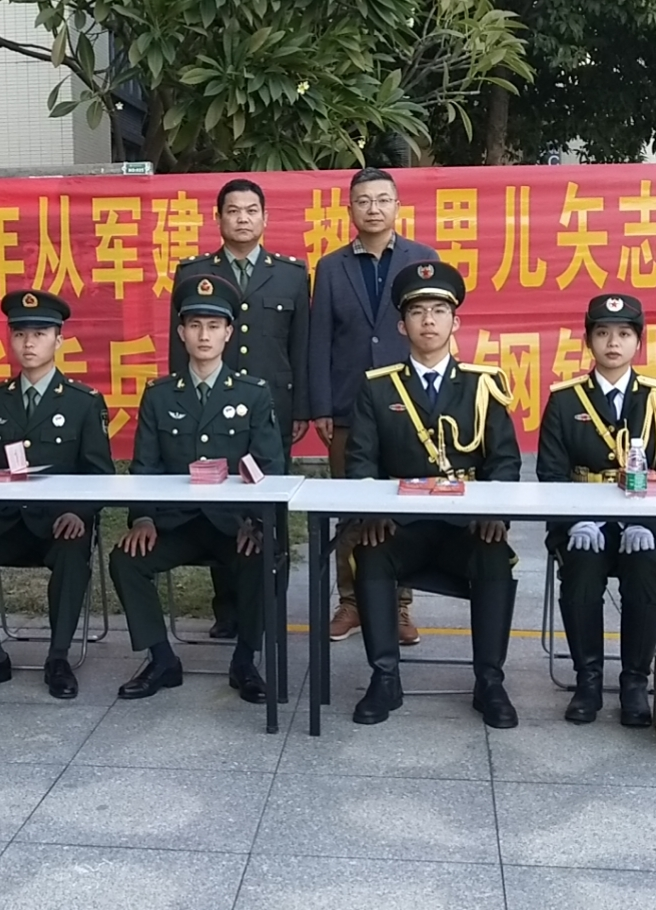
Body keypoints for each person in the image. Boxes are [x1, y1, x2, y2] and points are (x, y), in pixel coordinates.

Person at [345, 260, 522, 729]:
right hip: (401, 523)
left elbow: (504, 461)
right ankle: (385, 678)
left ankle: (490, 682)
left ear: (455, 322)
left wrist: (494, 512)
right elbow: (361, 461)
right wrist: (371, 512)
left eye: (439, 311)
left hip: (467, 524)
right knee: (370, 554)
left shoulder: (483, 386)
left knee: (494, 557)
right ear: (401, 326)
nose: (429, 320)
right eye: (418, 311)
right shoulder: (378, 388)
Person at [110, 275, 283, 704]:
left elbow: (269, 466)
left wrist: (257, 523)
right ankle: (161, 658)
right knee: (125, 560)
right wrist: (143, 517)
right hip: (176, 523)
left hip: (234, 525)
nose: (204, 335)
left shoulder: (253, 394)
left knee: (266, 557)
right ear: (181, 333)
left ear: (228, 334)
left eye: (213, 326)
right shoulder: (160, 395)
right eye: (195, 326)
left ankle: (245, 660)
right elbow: (145, 467)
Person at [0, 289, 114, 699]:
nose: (28, 343)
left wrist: (80, 513)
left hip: (57, 524)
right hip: (1, 523)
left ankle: (58, 658)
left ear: (59, 340)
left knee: (73, 553)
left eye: (39, 334)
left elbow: (100, 473)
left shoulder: (83, 402)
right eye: (19, 334)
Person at [537, 293, 656, 727]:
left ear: (638, 342)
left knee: (645, 565)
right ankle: (587, 681)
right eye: (602, 333)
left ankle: (634, 683)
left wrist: (644, 520)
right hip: (582, 521)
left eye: (623, 334)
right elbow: (551, 474)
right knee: (582, 565)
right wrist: (576, 517)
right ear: (588, 340)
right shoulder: (565, 400)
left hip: (648, 521)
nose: (613, 343)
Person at [169, 178, 309, 639]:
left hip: (271, 411)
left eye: (251, 211)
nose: (242, 219)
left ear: (265, 218)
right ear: (218, 218)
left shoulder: (291, 274)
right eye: (233, 211)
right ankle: (227, 607)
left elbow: (301, 347)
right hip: (209, 411)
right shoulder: (194, 273)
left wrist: (302, 408)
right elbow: (179, 349)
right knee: (218, 502)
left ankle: (268, 603)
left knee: (269, 506)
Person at [307, 167, 438, 646]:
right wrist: (321, 405)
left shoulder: (422, 260)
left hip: (409, 404)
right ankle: (351, 602)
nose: (373, 209)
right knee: (351, 507)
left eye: (383, 200)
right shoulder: (331, 266)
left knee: (404, 505)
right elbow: (319, 339)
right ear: (350, 210)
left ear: (397, 207)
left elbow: (434, 331)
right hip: (348, 404)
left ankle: (400, 605)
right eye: (363, 201)